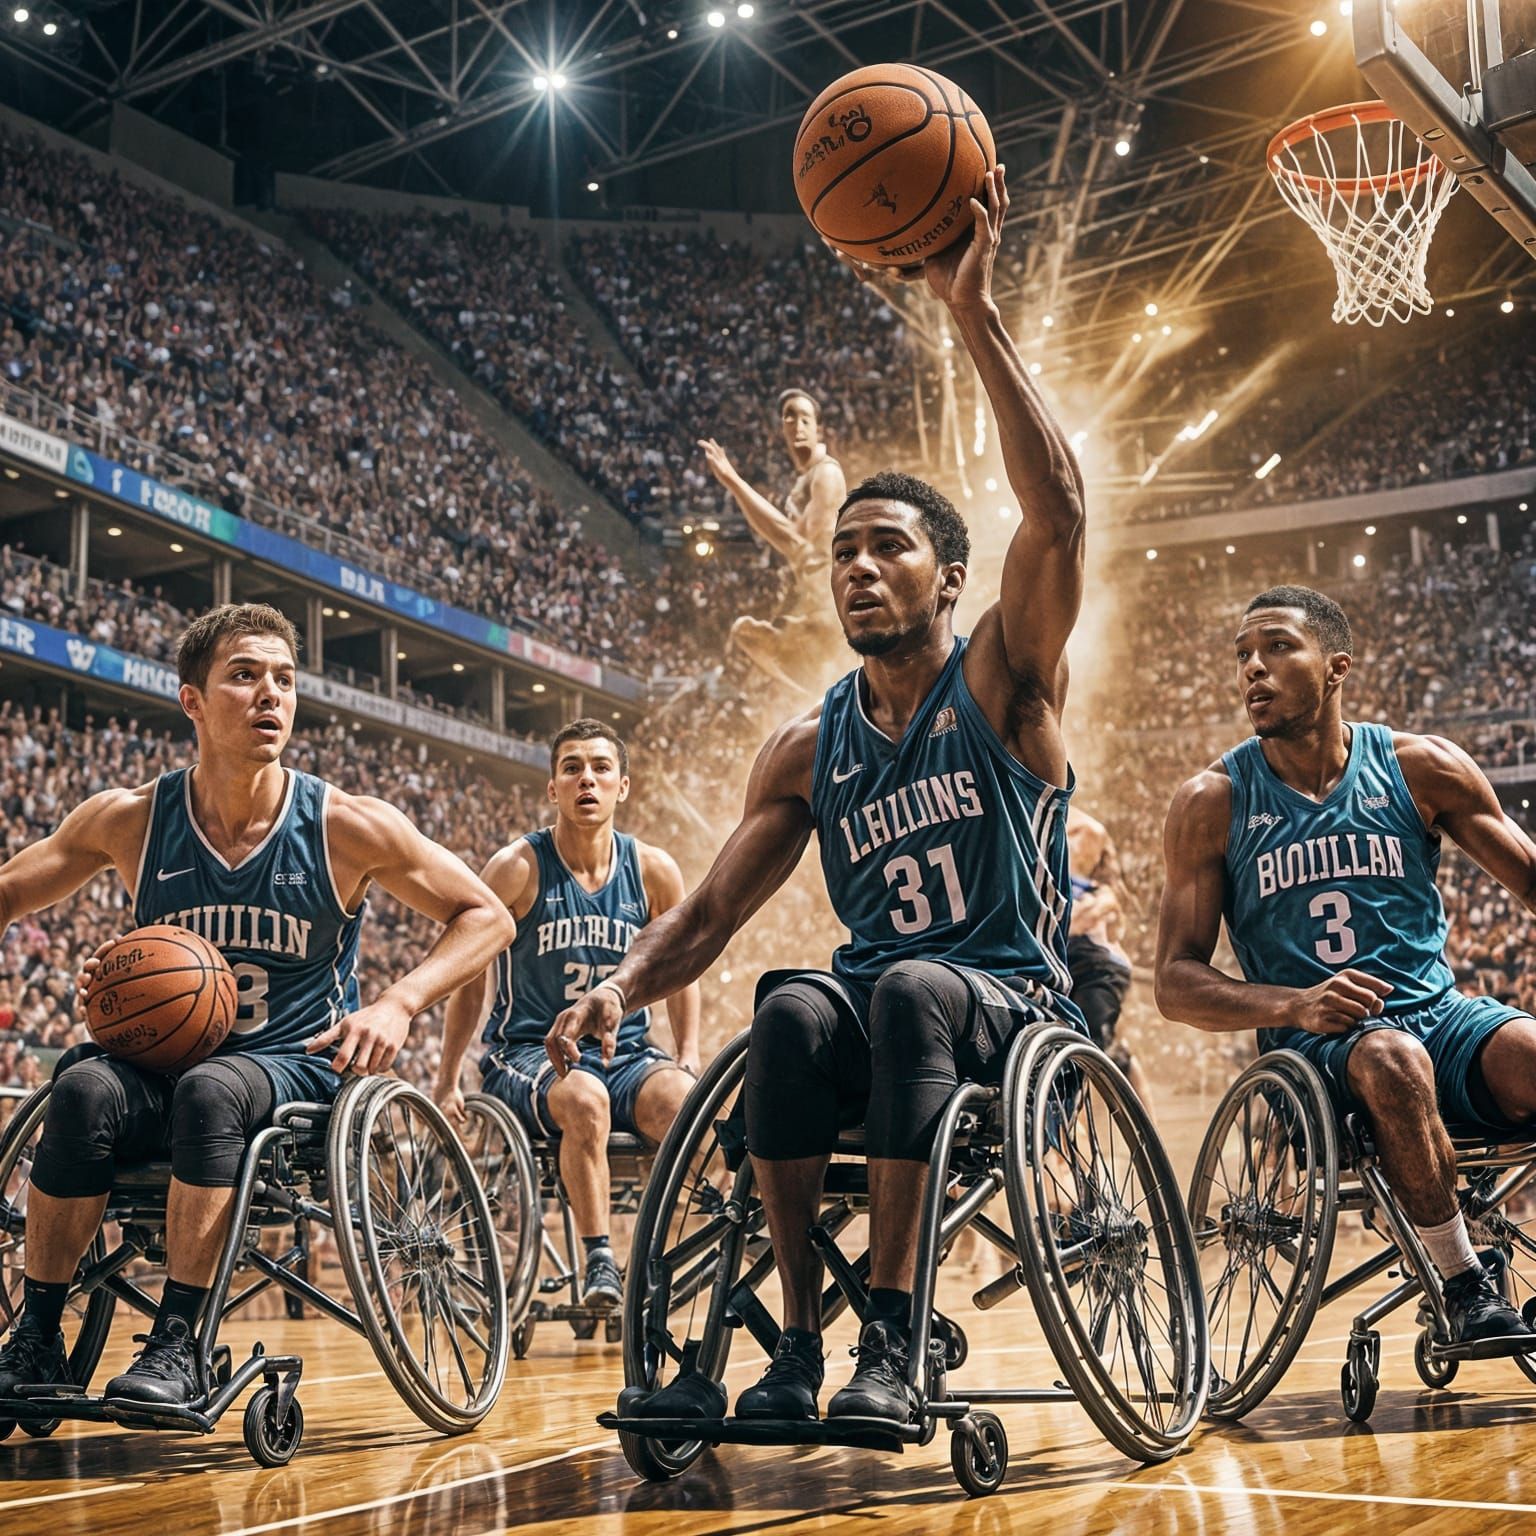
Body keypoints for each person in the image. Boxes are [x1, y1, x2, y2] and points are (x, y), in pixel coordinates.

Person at [552, 165, 1088, 1424]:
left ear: (950, 578)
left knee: (904, 984)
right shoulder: (806, 745)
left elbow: (1058, 512)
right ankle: (799, 1343)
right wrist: (623, 985)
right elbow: (713, 915)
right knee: (790, 1001)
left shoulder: (1007, 677)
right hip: (889, 1025)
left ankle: (892, 1338)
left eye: (887, 547)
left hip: (1011, 1007)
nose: (857, 567)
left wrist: (973, 311)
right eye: (843, 551)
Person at [0, 603, 515, 1407]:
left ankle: (179, 1343)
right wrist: (113, 991)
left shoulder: (341, 823)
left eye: (284, 679)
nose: (269, 695)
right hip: (163, 1066)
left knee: (216, 1088)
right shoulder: (131, 819)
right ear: (192, 702)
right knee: (81, 1086)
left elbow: (488, 914)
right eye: (244, 676)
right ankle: (35, 1335)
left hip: (295, 1069)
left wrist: (398, 1002)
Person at [1155, 583, 1536, 1354]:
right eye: (1243, 656)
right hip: (1318, 1049)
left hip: (1440, 1016)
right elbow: (1173, 981)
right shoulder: (1213, 801)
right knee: (1393, 1056)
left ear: (1336, 667)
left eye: (1276, 648)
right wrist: (1294, 1005)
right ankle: (1465, 1283)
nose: (1252, 670)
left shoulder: (1422, 766)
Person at [434, 719, 700, 1310]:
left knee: (690, 1105)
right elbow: (468, 973)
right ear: (552, 788)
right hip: (528, 1053)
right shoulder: (517, 868)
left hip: (626, 1054)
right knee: (585, 1099)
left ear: (623, 786)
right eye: (572, 767)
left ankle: (668, 1255)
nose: (588, 778)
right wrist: (448, 1077)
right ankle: (599, 1260)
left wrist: (687, 1054)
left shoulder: (653, 869)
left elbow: (682, 967)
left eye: (601, 767)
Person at [699, 388, 847, 695]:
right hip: (810, 600)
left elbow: (797, 542)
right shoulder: (803, 481)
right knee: (747, 635)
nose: (796, 424)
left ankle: (825, 700)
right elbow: (785, 537)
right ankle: (818, 699)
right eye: (789, 416)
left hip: (830, 603)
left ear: (819, 428)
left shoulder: (827, 474)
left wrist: (734, 482)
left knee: (753, 636)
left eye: (804, 417)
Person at [1065, 806, 1148, 1102]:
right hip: (1070, 966)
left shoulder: (1099, 893)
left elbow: (1079, 922)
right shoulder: (1067, 886)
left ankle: (1146, 1138)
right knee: (1113, 1054)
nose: (1073, 846)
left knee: (1092, 1053)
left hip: (1099, 968)